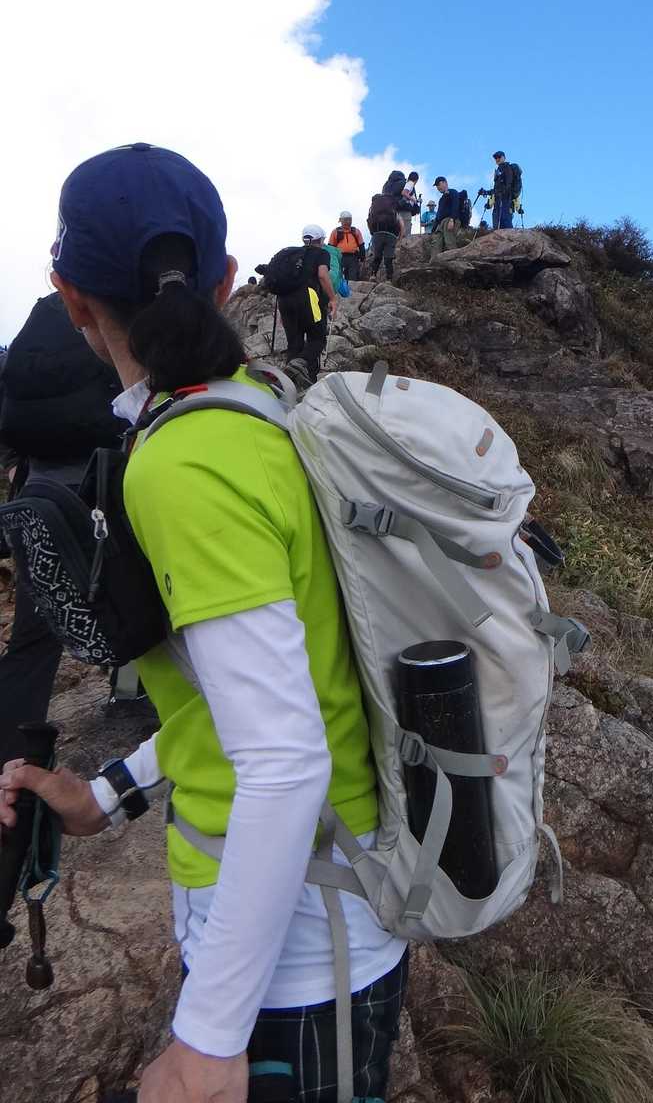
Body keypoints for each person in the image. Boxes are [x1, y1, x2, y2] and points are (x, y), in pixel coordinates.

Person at [0, 142, 407, 1103]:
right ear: (226, 282)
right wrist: (107, 796)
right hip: (310, 924)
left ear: (72, 300)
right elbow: (248, 692)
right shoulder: (256, 410)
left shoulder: (186, 461)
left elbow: (285, 761)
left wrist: (209, 1039)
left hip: (297, 959)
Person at [0, 293, 126, 764]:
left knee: (33, 637)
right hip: (107, 481)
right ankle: (133, 691)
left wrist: (16, 462)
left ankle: (13, 762)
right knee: (136, 593)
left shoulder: (39, 325)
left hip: (39, 493)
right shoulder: (112, 311)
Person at [279, 225, 337, 388]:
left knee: (294, 344)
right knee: (317, 339)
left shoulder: (292, 255)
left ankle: (289, 386)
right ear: (320, 239)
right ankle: (305, 374)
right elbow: (322, 275)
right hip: (308, 299)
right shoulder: (321, 253)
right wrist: (332, 298)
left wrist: (282, 314)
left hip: (285, 301)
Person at [367, 191, 405, 282]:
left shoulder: (374, 210)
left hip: (377, 234)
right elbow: (402, 225)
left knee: (377, 256)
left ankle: (373, 275)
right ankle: (389, 279)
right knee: (389, 258)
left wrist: (372, 233)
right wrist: (399, 239)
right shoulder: (393, 211)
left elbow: (368, 221)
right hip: (391, 235)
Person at [427, 177, 469, 256]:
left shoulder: (453, 192)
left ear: (445, 183)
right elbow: (438, 215)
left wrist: (452, 219)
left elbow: (455, 205)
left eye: (439, 184)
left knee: (449, 241)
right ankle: (435, 260)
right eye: (436, 186)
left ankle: (454, 258)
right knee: (436, 243)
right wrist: (433, 230)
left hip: (449, 220)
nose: (438, 187)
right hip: (441, 224)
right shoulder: (441, 199)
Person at [327, 212, 365, 282]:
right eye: (345, 220)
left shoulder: (356, 231)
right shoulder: (335, 232)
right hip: (340, 258)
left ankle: (351, 288)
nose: (348, 222)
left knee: (353, 278)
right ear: (341, 220)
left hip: (353, 258)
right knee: (340, 277)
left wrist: (362, 258)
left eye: (349, 219)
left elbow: (361, 245)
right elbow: (331, 247)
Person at [491, 151, 515, 230]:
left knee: (506, 220)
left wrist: (502, 192)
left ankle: (510, 236)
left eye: (499, 157)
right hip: (498, 199)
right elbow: (496, 188)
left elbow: (508, 183)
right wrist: (487, 192)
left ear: (504, 157)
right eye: (496, 158)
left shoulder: (507, 167)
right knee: (498, 221)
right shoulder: (498, 169)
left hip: (505, 199)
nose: (497, 159)